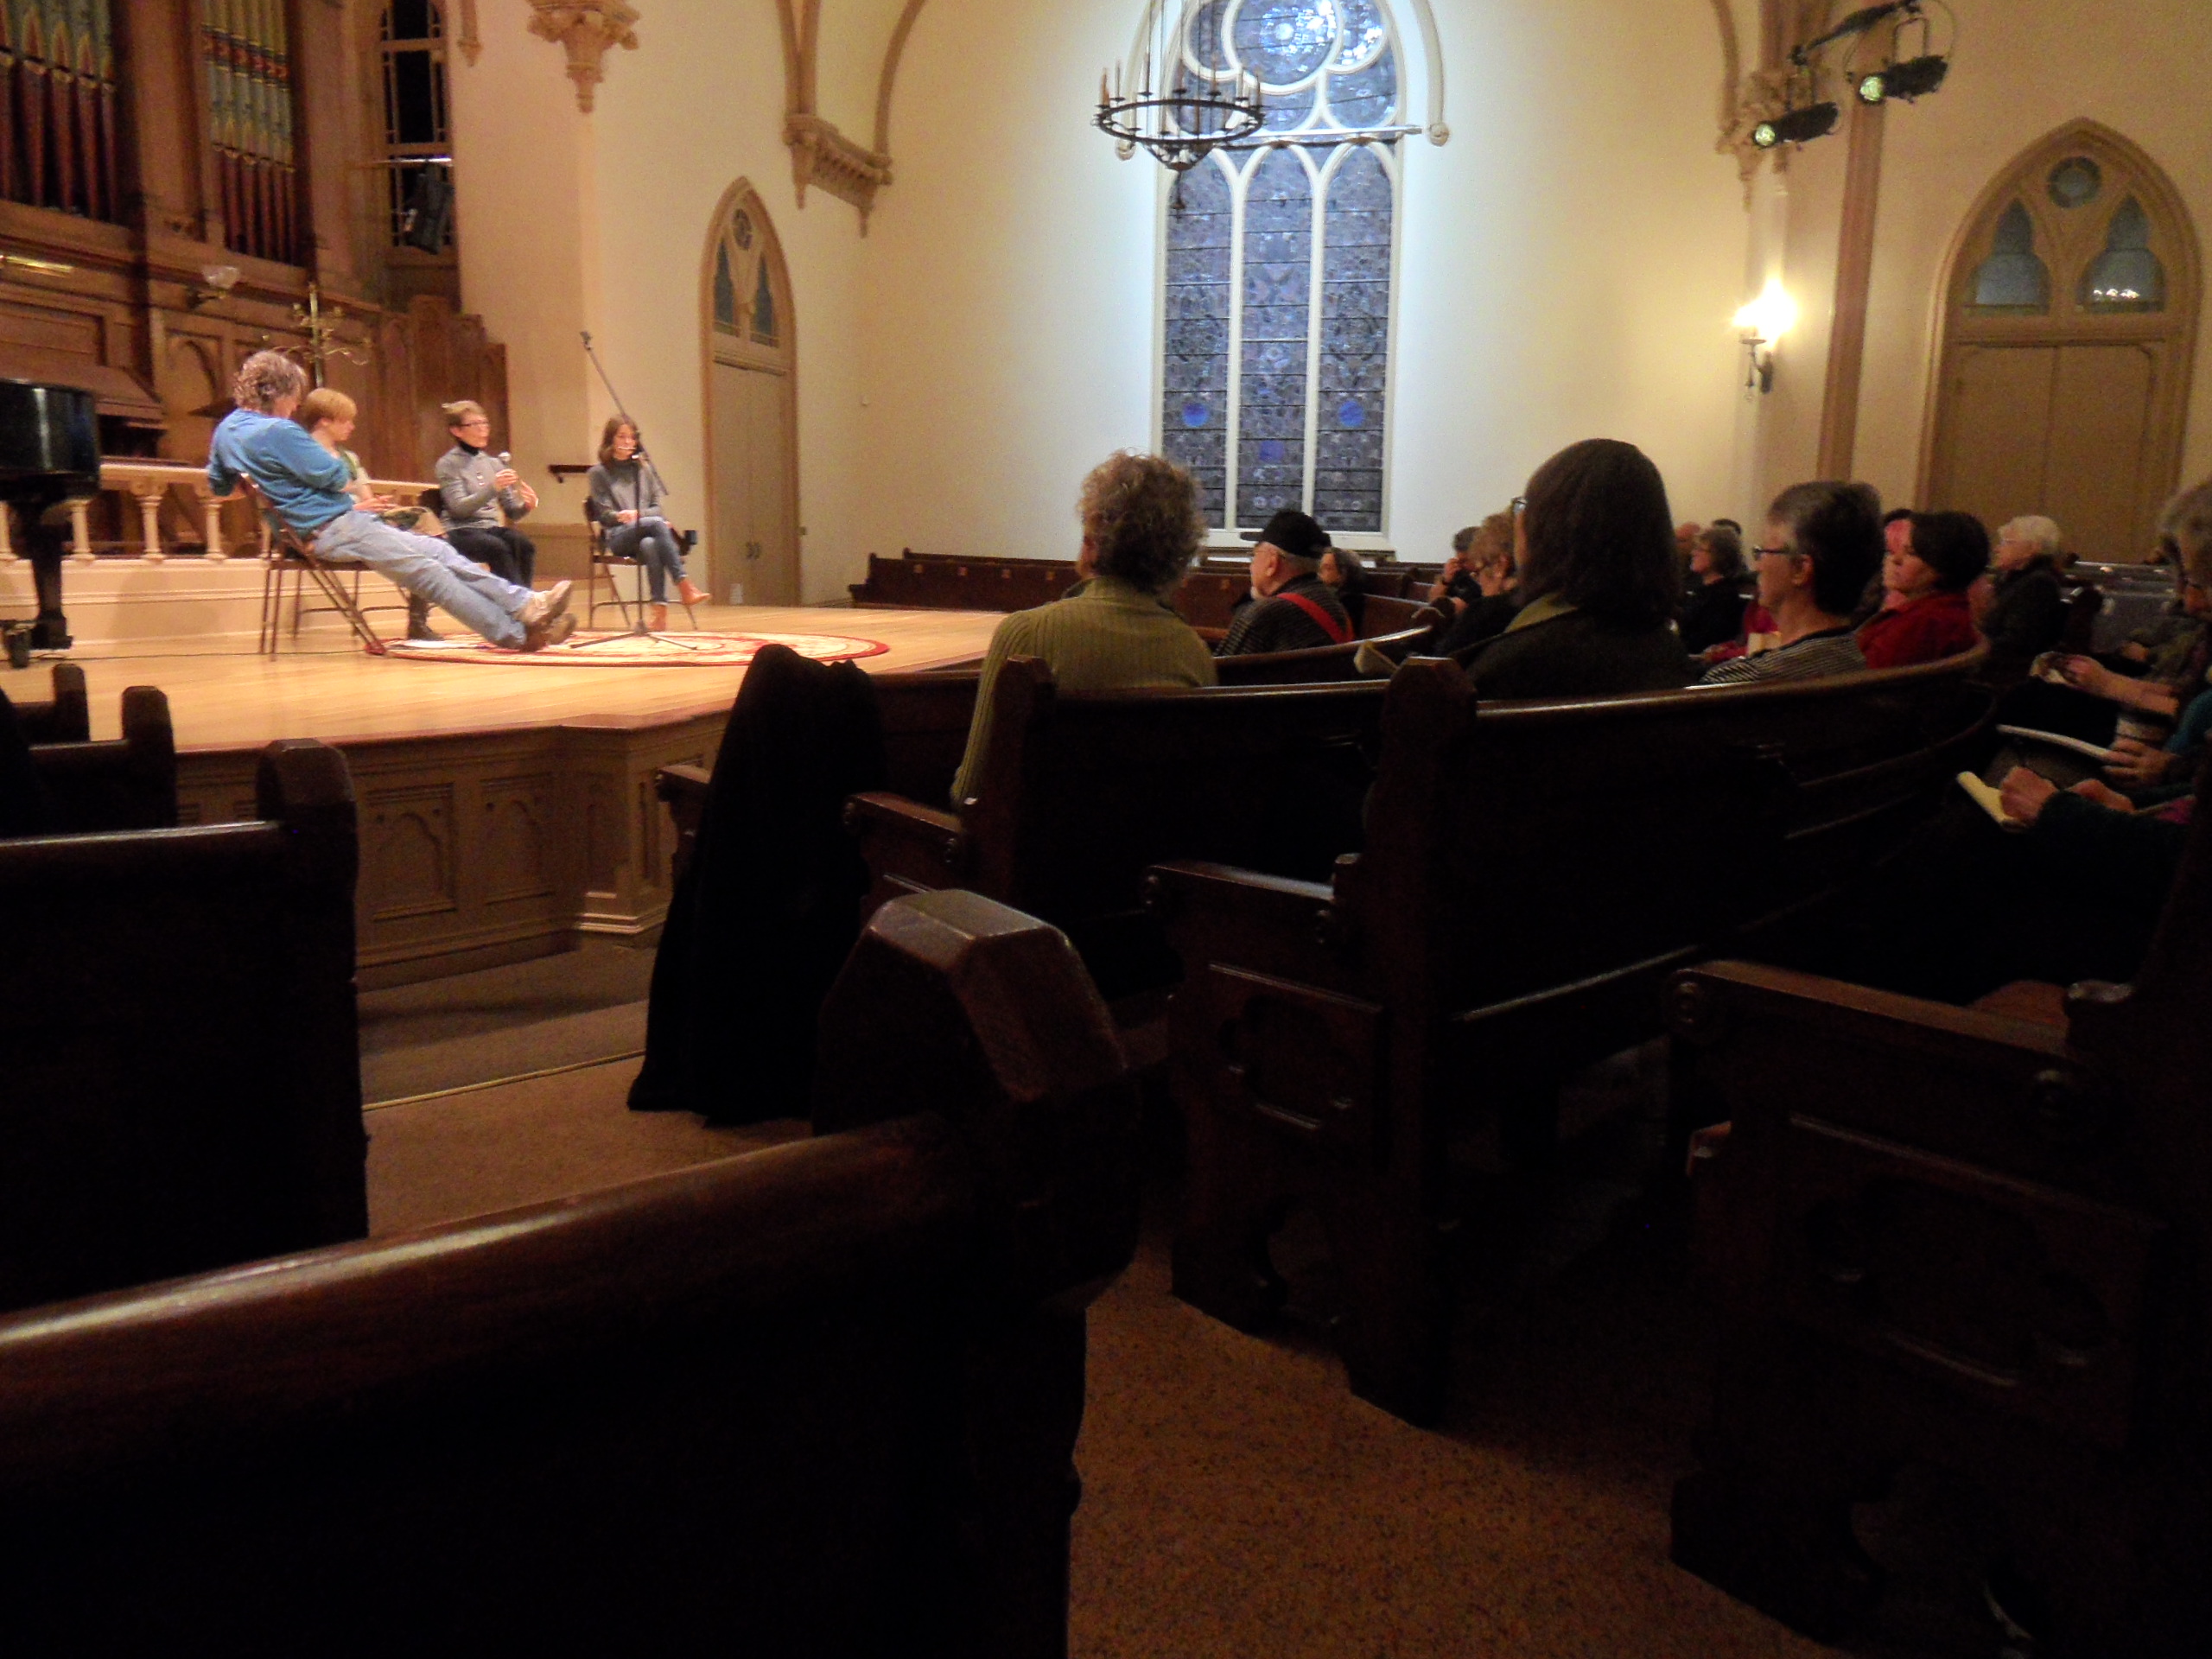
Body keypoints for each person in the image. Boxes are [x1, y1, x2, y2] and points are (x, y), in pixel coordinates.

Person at [210, 351, 574, 651]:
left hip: (318, 529)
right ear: (280, 393)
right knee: (430, 571)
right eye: (294, 399)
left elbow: (220, 488)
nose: (294, 408)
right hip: (331, 528)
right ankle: (515, 634)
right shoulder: (280, 430)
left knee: (441, 552)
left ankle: (525, 605)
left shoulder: (225, 431)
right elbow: (337, 477)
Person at [951, 452, 1217, 803]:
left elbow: (972, 793)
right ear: (1179, 555)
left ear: (1092, 538)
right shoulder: (1194, 653)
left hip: (1039, 855)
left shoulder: (1025, 635)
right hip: (1151, 855)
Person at [1453, 439, 1689, 697]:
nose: (1518, 520)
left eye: (1525, 506)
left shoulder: (1517, 664)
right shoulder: (1668, 651)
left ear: (1553, 532)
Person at [1699, 481, 1884, 685]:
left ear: (1800, 569)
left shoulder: (1738, 683)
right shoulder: (1864, 668)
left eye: (1763, 552)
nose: (1758, 566)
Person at [296, 387, 439, 641]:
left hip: (363, 519)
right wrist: (358, 508)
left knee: (422, 519)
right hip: (332, 525)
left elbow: (366, 497)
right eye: (345, 420)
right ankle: (422, 609)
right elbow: (309, 504)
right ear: (324, 421)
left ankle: (419, 616)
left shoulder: (348, 458)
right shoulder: (302, 455)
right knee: (417, 536)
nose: (351, 426)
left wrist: (377, 504)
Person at [587, 417, 708, 630]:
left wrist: (638, 514)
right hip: (618, 535)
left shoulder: (644, 469)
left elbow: (656, 508)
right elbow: (604, 515)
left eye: (632, 437)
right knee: (658, 524)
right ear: (610, 440)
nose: (628, 441)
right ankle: (684, 585)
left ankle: (659, 614)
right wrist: (620, 516)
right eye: (622, 436)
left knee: (650, 544)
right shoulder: (598, 473)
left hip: (645, 531)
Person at [1858, 510, 1989, 668]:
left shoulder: (1924, 624)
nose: (1895, 559)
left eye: (1912, 553)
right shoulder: (1944, 610)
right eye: (1896, 550)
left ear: (1944, 564)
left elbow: (1864, 680)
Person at [1217, 508, 1351, 657]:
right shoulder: (1335, 606)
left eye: (1254, 555)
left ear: (1272, 563)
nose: (1251, 566)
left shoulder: (1264, 615)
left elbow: (1218, 674)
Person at [436, 400, 538, 587]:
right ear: (457, 431)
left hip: (489, 528)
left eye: (485, 423)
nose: (483, 429)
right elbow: (459, 509)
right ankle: (518, 604)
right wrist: (493, 487)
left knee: (523, 545)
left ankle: (524, 600)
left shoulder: (493, 463)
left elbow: (512, 512)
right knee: (496, 547)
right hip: (460, 530)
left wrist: (526, 505)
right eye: (475, 425)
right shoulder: (448, 464)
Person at [1975, 514, 2069, 675]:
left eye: (2006, 542)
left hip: (2004, 672)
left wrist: (1973, 645)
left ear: (2031, 549)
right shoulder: (2016, 580)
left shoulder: (2038, 585)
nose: (1997, 549)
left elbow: (2017, 642)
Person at [1432, 508, 1522, 656]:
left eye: (1480, 570)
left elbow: (1442, 660)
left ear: (1501, 565)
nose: (1479, 580)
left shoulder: (1487, 613)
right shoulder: (1540, 603)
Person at [1678, 522, 1749, 654]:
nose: (1693, 553)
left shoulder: (1724, 598)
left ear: (1720, 555)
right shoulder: (1701, 591)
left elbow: (1703, 642)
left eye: (1700, 549)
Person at [1319, 546, 1367, 635]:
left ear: (1344, 573)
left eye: (1327, 568)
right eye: (1320, 568)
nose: (1320, 573)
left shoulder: (1349, 600)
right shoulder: (1328, 594)